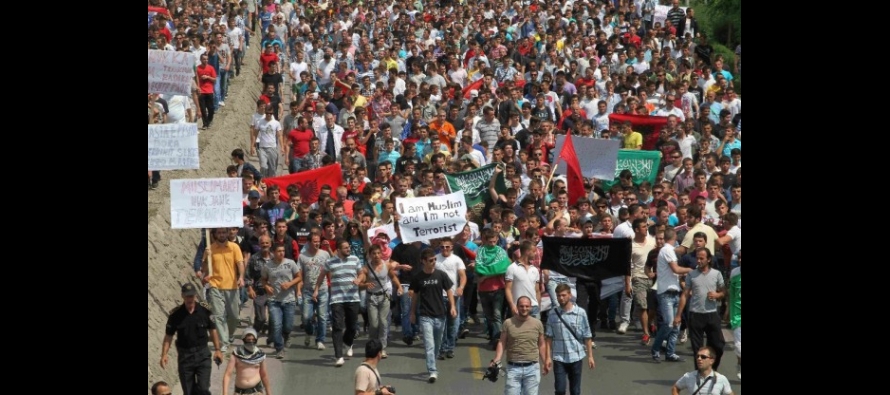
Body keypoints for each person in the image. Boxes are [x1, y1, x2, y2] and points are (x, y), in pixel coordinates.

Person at [160, 283, 224, 395]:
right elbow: (168, 336)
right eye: (187, 296)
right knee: (188, 392)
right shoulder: (175, 315)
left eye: (192, 296)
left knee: (203, 389)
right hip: (185, 357)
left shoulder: (205, 310)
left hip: (202, 354)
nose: (190, 299)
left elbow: (213, 330)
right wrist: (164, 354)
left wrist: (218, 350)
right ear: (182, 296)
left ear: (195, 296)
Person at [315, 238, 365, 367]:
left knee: (352, 327)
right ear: (338, 250)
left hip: (353, 298)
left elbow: (361, 274)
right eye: (345, 248)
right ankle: (338, 356)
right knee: (337, 326)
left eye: (349, 247)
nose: (348, 249)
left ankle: (348, 343)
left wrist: (359, 279)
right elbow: (321, 276)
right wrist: (316, 290)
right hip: (337, 299)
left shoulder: (355, 260)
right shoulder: (330, 262)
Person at [410, 248, 457, 383]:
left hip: (440, 315)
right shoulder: (418, 277)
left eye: (435, 259)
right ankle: (432, 370)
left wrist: (452, 306)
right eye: (431, 260)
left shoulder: (441, 275)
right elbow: (415, 297)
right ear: (423, 261)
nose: (434, 262)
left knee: (436, 344)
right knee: (429, 345)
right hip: (425, 316)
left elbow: (449, 291)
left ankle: (433, 362)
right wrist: (412, 313)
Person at [677, 247, 727, 371]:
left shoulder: (716, 274)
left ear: (709, 259)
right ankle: (700, 375)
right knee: (697, 350)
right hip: (695, 315)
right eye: (697, 258)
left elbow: (723, 292)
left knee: (718, 346)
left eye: (701, 258)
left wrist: (717, 295)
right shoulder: (691, 275)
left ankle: (712, 369)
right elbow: (685, 294)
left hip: (712, 315)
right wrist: (678, 315)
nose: (698, 261)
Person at [490, 295, 547, 395]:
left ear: (530, 307)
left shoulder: (537, 324)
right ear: (517, 307)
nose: (524, 308)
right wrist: (497, 359)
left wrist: (545, 361)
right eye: (521, 306)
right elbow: (502, 342)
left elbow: (541, 344)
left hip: (532, 368)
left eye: (526, 306)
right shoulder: (508, 323)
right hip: (513, 368)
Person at [545, 284, 595, 395]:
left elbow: (587, 336)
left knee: (575, 391)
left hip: (576, 357)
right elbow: (548, 337)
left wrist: (590, 356)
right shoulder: (552, 314)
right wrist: (548, 357)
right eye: (558, 296)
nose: (561, 298)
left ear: (570, 295)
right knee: (560, 389)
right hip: (559, 358)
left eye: (563, 295)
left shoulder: (580, 313)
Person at [202, 227, 246, 352]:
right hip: (215, 285)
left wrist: (241, 277)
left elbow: (240, 263)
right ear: (215, 234)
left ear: (227, 233)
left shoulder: (234, 247)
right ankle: (224, 342)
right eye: (219, 232)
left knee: (234, 317)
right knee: (218, 316)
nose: (221, 234)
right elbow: (204, 268)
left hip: (232, 286)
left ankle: (230, 334)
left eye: (223, 232)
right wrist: (206, 258)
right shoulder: (210, 248)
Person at [651, 228, 691, 363]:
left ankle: (670, 352)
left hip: (674, 291)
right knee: (668, 324)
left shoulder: (668, 250)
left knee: (676, 325)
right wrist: (692, 270)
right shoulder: (668, 250)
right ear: (674, 237)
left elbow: (675, 272)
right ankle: (656, 349)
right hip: (666, 293)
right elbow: (676, 269)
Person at [361, 244, 403, 359]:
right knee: (374, 324)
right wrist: (362, 283)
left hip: (384, 296)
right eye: (374, 254)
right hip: (372, 298)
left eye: (378, 253)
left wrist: (399, 286)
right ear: (370, 255)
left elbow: (393, 277)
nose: (376, 256)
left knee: (383, 322)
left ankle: (382, 348)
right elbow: (361, 280)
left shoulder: (387, 265)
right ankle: (372, 346)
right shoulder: (366, 267)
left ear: (381, 254)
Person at [261, 243, 302, 359]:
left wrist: (290, 284)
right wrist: (266, 286)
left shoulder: (290, 263)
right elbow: (263, 279)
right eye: (279, 251)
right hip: (274, 300)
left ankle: (287, 335)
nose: (281, 253)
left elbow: (299, 277)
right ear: (273, 252)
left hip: (288, 299)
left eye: (283, 250)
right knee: (276, 324)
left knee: (288, 326)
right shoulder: (268, 266)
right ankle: (279, 348)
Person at [222, 328, 273, 395]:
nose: (251, 342)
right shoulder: (236, 354)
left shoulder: (260, 355)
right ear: (244, 339)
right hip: (240, 392)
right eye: (248, 340)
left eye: (253, 340)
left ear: (256, 340)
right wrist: (225, 393)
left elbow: (264, 375)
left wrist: (269, 393)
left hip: (256, 391)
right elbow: (227, 375)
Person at [728, 250, 741, 380]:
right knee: (738, 345)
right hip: (737, 314)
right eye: (740, 258)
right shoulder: (734, 272)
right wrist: (727, 311)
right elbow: (731, 293)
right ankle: (740, 362)